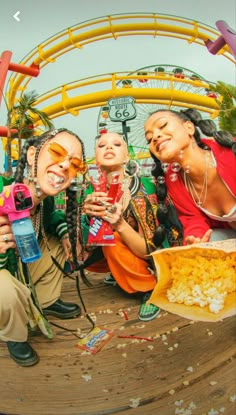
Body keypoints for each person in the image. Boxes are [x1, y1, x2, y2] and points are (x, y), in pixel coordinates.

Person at [0, 128, 87, 367]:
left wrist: (67, 235)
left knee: (58, 241)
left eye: (75, 164)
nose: (64, 166)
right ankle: (12, 333)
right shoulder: (3, 187)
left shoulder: (44, 201)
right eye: (57, 152)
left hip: (21, 266)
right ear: (31, 155)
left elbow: (53, 217)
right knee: (3, 290)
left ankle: (46, 301)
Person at [82, 132, 182, 321]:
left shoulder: (147, 188)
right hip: (116, 253)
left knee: (113, 240)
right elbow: (86, 248)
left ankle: (151, 288)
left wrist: (119, 224)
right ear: (95, 158)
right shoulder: (91, 192)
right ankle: (121, 270)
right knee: (105, 240)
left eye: (117, 144)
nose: (109, 148)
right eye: (102, 146)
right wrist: (88, 219)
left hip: (156, 253)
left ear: (127, 157)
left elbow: (151, 248)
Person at [144, 108, 236, 244]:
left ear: (189, 128)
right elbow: (193, 219)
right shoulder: (174, 182)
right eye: (149, 139)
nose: (155, 137)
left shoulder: (231, 154)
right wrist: (196, 239)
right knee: (208, 243)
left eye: (163, 125)